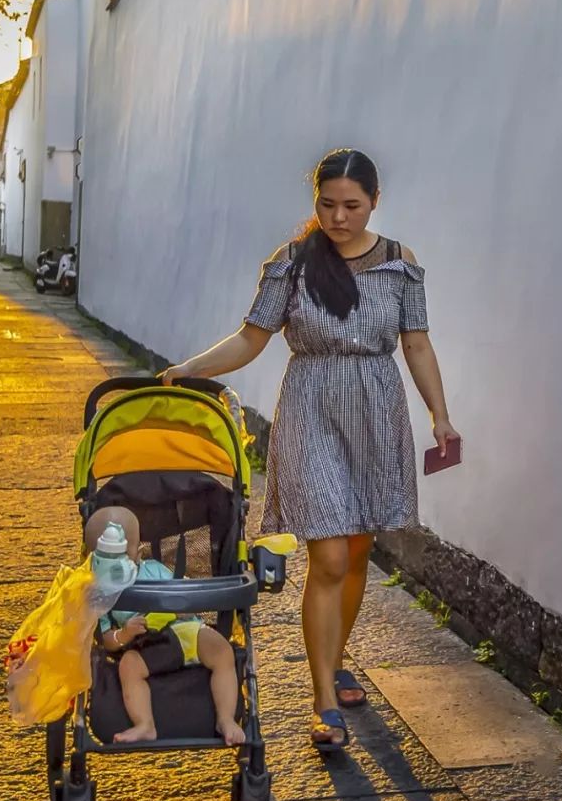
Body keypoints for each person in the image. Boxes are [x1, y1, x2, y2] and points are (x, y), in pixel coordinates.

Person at [162, 148, 458, 756]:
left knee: (355, 555)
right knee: (325, 558)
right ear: (315, 200)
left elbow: (418, 345)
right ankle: (322, 697)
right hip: (312, 408)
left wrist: (441, 416)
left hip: (377, 411)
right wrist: (192, 368)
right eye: (327, 204)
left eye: (352, 206)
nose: (339, 217)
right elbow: (252, 337)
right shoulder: (293, 264)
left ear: (375, 201)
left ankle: (338, 658)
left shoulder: (400, 264)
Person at [84, 507, 246, 747]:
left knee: (223, 651)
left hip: (184, 631)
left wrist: (182, 604)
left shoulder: (155, 570)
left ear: (138, 553)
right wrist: (124, 633)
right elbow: (107, 638)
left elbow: (184, 600)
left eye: (122, 556)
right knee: (128, 665)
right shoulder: (99, 593)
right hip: (144, 645)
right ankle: (144, 724)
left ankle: (225, 719)